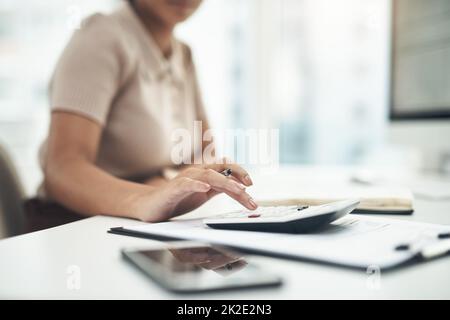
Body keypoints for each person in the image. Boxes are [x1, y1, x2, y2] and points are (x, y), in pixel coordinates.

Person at [35, 0, 257, 225]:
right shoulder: (101, 36)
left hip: (142, 224)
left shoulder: (183, 54)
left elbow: (205, 152)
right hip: (74, 224)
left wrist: (162, 182)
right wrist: (149, 196)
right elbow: (63, 167)